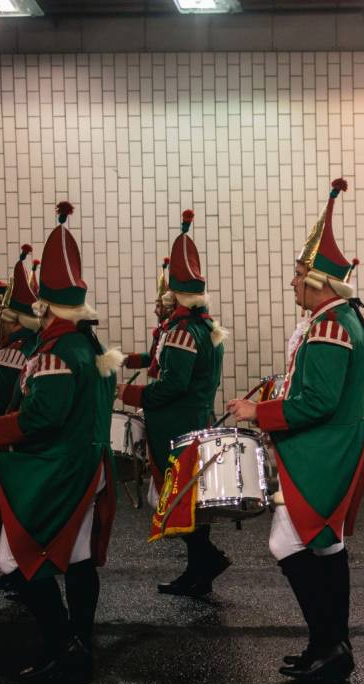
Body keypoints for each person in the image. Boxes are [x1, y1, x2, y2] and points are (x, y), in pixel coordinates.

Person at [227, 177, 364, 684]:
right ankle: (329, 647)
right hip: (330, 445)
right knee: (325, 545)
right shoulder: (333, 320)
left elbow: (317, 401)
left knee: (288, 542)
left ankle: (329, 646)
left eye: (298, 276)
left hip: (325, 449)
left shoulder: (330, 325)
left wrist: (259, 413)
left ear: (320, 282)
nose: (293, 283)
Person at [0, 202, 119, 684]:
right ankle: (79, 643)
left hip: (62, 468)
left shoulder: (59, 350)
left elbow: (43, 415)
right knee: (76, 557)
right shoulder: (88, 344)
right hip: (87, 467)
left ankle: (63, 645)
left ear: (47, 305)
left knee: (13, 557)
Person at [117, 210, 229, 597]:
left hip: (178, 425)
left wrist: (130, 394)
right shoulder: (204, 328)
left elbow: (173, 385)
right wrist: (133, 361)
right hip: (194, 420)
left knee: (181, 500)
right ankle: (201, 568)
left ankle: (205, 562)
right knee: (187, 501)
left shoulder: (183, 332)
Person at [0, 244, 42, 594]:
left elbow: (0, 401)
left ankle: (20, 572)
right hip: (29, 440)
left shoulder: (11, 352)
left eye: (4, 316)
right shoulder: (33, 345)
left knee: (10, 505)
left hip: (12, 438)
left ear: (13, 320)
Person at [123, 256, 175, 376]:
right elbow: (152, 357)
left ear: (166, 307)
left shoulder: (171, 330)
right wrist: (126, 360)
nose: (154, 311)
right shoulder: (163, 329)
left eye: (158, 306)